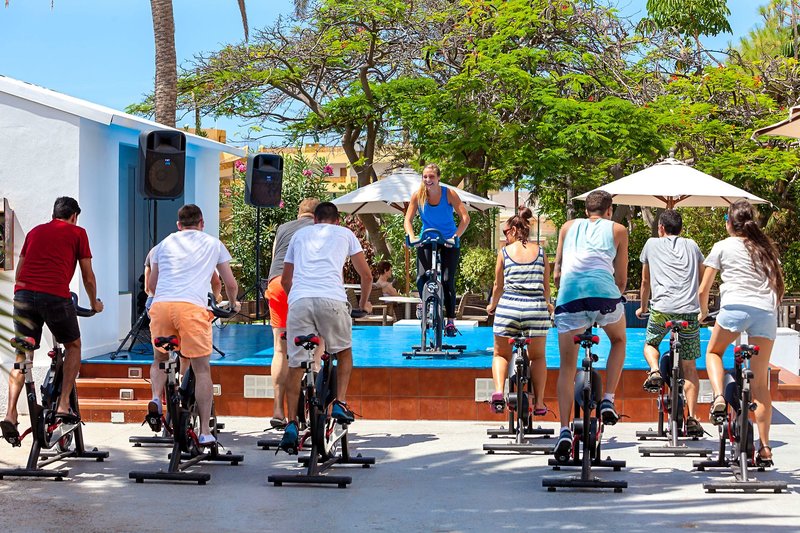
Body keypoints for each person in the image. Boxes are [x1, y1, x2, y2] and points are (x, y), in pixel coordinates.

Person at [2, 197, 104, 444]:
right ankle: (64, 404)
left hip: (23, 296)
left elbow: (20, 269)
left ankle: (10, 413)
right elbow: (88, 277)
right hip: (55, 296)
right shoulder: (78, 233)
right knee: (74, 346)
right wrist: (94, 304)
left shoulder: (35, 232)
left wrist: (24, 292)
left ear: (53, 214)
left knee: (22, 354)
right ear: (74, 216)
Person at [278, 202, 373, 453]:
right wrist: (363, 303)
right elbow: (366, 275)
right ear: (337, 220)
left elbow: (285, 280)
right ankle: (340, 402)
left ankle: (291, 424)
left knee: (296, 365)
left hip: (300, 302)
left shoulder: (299, 235)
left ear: (315, 220)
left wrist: (296, 299)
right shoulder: (345, 234)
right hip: (332, 301)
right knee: (344, 352)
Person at [145, 204, 240, 447]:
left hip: (161, 306)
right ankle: (206, 430)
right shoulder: (213, 243)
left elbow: (152, 286)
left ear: (178, 225)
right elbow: (229, 283)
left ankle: (155, 398)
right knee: (201, 370)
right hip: (191, 309)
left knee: (160, 359)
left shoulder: (163, 245)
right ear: (202, 223)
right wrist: (232, 303)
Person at [699, 200, 783, 465]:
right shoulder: (765, 248)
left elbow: (703, 289)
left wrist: (703, 312)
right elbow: (776, 286)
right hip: (765, 313)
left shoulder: (722, 246)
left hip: (735, 308)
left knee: (713, 352)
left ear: (729, 223)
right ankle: (765, 447)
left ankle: (719, 397)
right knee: (759, 385)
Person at [551, 190, 628, 462]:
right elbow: (621, 279)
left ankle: (563, 429)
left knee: (567, 368)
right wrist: (611, 298)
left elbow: (557, 272)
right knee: (619, 340)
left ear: (586, 211)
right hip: (603, 296)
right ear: (609, 211)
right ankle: (608, 398)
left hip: (570, 296)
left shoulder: (567, 227)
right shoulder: (618, 230)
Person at [635, 209, 706, 437]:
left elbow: (645, 281)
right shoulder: (692, 245)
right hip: (689, 312)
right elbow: (703, 276)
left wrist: (643, 307)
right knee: (690, 367)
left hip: (661, 310)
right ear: (681, 229)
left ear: (661, 228)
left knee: (651, 344)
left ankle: (655, 370)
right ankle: (692, 417)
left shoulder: (651, 244)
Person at [486, 207, 553, 415]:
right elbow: (546, 287)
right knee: (538, 357)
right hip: (536, 309)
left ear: (514, 230)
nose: (505, 237)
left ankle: (499, 392)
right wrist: (548, 303)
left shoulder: (504, 253)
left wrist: (491, 306)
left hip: (509, 309)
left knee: (500, 354)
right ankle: (539, 403)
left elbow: (498, 286)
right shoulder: (541, 252)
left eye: (506, 232)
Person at [264, 197, 320, 430]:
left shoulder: (283, 228)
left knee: (280, 348)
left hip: (277, 284)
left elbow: (276, 258)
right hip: (304, 284)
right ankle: (315, 389)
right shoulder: (319, 228)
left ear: (299, 213)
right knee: (318, 337)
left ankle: (278, 410)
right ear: (317, 215)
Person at [403, 163, 470, 337]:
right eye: (425, 176)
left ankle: (450, 321)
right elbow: (407, 220)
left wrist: (455, 237)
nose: (428, 180)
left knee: (447, 280)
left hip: (447, 240)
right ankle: (424, 302)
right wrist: (412, 237)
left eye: (431, 176)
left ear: (438, 178)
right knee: (422, 277)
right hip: (426, 238)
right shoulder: (418, 196)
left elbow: (465, 218)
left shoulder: (449, 194)